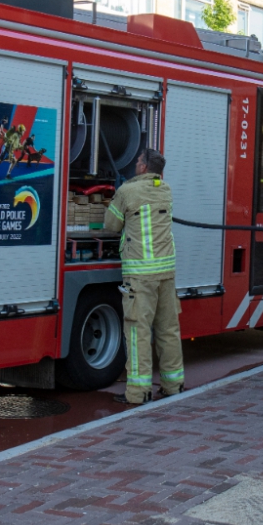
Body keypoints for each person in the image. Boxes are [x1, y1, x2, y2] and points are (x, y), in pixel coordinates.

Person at [103, 149, 184, 405]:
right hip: (166, 274)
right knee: (168, 330)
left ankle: (138, 393)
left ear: (142, 167)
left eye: (137, 161)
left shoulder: (127, 191)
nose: (135, 164)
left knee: (138, 333)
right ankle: (173, 385)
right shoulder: (166, 189)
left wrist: (117, 195)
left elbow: (111, 225)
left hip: (140, 276)